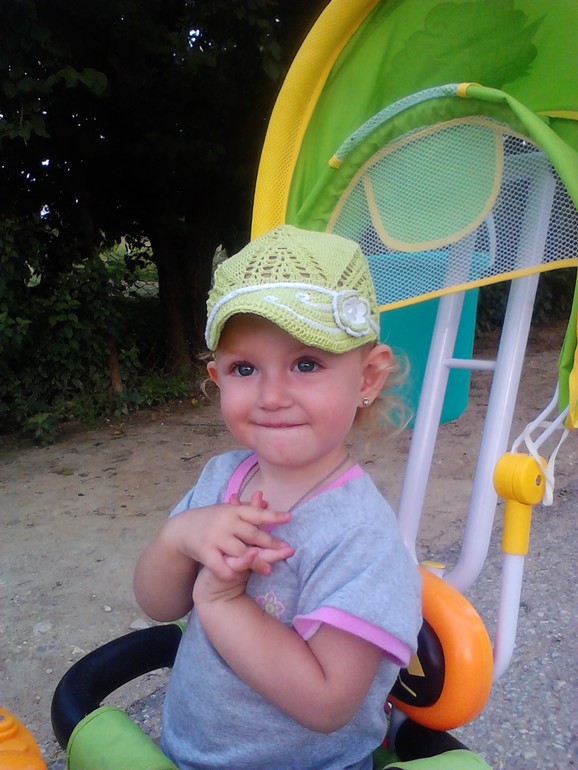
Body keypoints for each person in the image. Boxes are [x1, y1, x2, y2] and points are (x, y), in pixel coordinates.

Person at [133, 225, 422, 770]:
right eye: (245, 369)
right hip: (186, 749)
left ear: (368, 377)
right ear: (218, 377)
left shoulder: (360, 536)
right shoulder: (221, 477)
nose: (270, 395)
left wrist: (222, 603)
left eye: (306, 364)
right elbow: (157, 603)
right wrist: (177, 539)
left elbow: (329, 702)